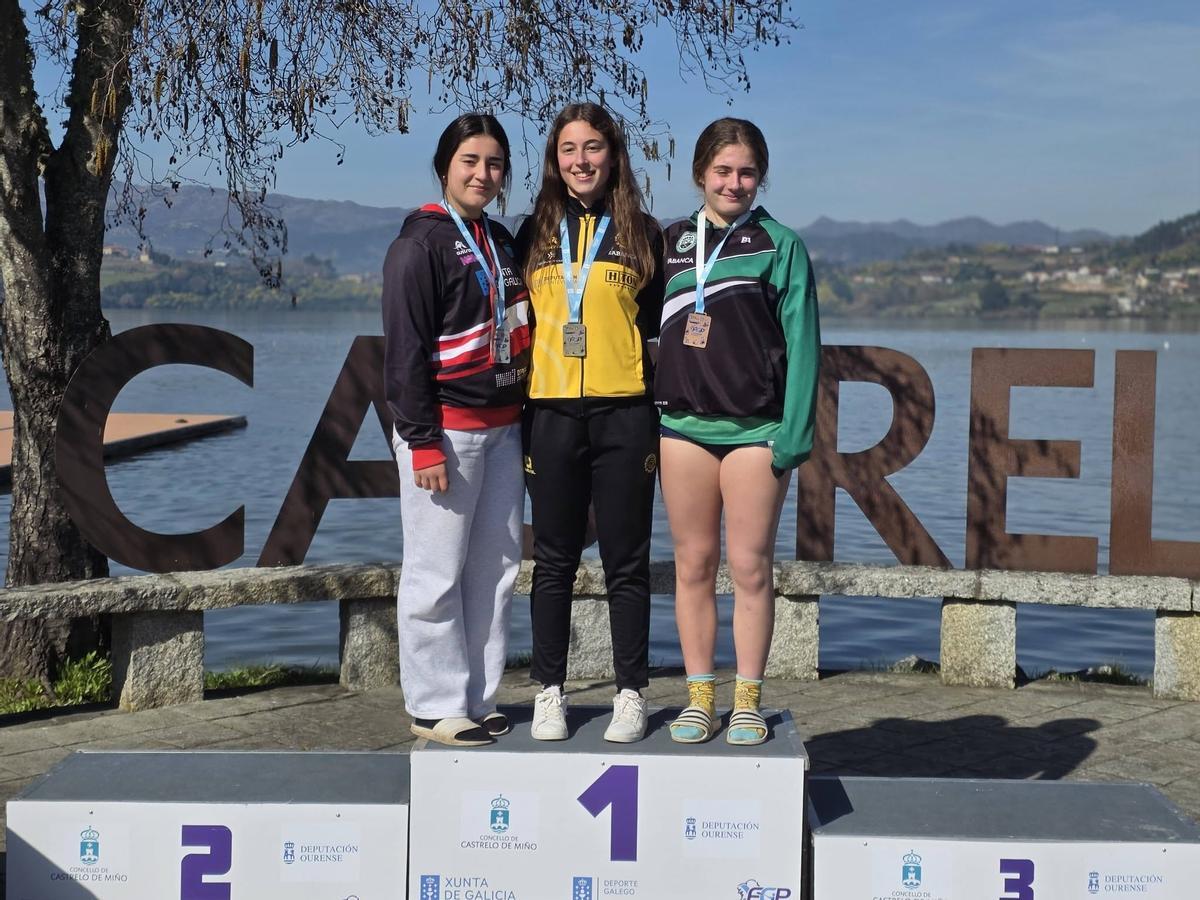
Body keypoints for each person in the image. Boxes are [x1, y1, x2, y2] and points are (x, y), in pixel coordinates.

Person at [655, 118, 821, 745]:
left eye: (746, 172)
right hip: (682, 430)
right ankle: (700, 699)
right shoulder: (671, 242)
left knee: (750, 567)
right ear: (701, 173)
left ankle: (747, 700)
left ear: (761, 178)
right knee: (693, 565)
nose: (734, 182)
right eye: (722, 171)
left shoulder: (781, 245)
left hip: (757, 433)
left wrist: (792, 437)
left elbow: (805, 347)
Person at [517, 103, 664, 743]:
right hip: (548, 413)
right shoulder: (531, 232)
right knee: (552, 561)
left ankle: (630, 691)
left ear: (613, 155)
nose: (581, 160)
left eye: (593, 147)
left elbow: (658, 327)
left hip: (624, 413)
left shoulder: (644, 233)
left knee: (626, 560)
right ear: (555, 159)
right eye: (569, 149)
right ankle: (549, 690)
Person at [382, 114, 530, 747]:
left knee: (494, 570)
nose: (483, 174)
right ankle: (435, 704)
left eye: (494, 164)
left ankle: (478, 694)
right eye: (470, 160)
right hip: (445, 430)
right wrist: (420, 441)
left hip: (503, 427)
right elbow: (405, 353)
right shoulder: (419, 245)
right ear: (445, 166)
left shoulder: (497, 236)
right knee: (435, 571)